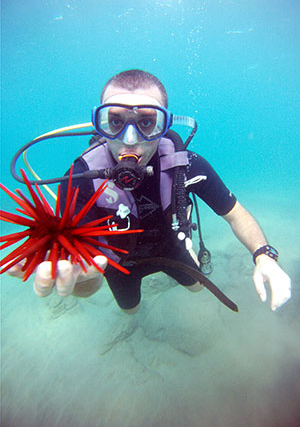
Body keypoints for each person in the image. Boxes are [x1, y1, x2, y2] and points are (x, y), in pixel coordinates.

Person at [8, 69, 291, 314]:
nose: (130, 140)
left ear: (164, 125)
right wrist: (77, 281)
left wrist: (263, 254)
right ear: (101, 124)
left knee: (195, 290)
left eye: (146, 122)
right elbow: (88, 274)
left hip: (174, 250)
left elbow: (236, 214)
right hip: (120, 266)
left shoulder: (187, 165)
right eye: (115, 121)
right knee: (130, 310)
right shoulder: (79, 179)